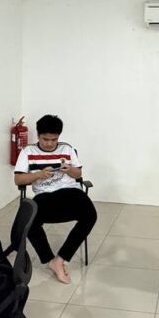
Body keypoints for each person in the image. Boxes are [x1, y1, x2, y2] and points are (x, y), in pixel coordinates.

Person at [14, 114, 97, 284]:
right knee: (29, 221)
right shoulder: (28, 152)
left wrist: (70, 170)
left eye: (54, 139)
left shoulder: (67, 149)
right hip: (45, 195)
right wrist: (39, 175)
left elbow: (78, 174)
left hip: (70, 192)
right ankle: (50, 260)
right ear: (38, 135)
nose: (50, 143)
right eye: (45, 139)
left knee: (90, 215)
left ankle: (60, 259)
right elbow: (18, 180)